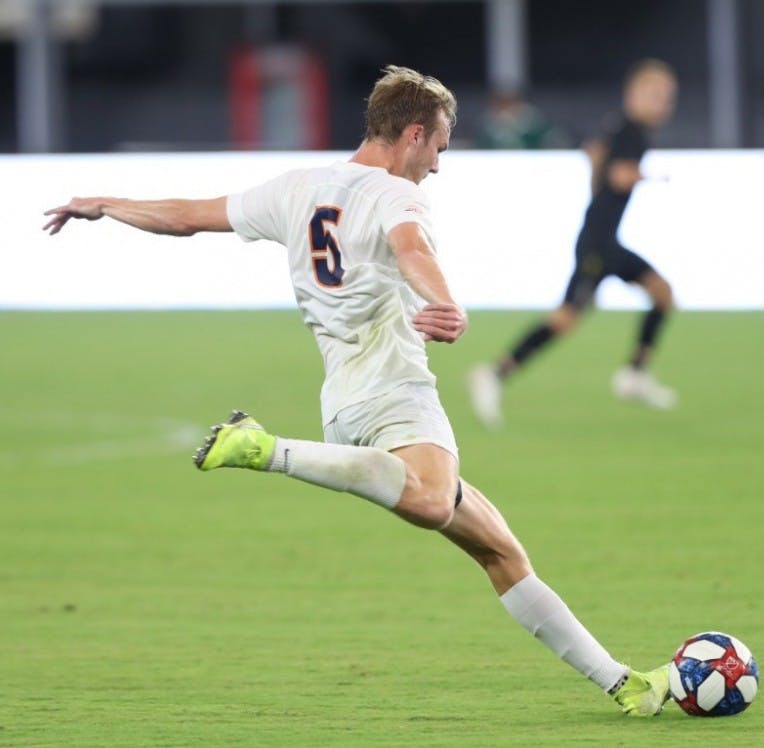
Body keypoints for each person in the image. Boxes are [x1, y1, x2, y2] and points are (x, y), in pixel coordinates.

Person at [42, 65, 669, 716]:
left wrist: (106, 206)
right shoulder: (397, 195)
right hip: (396, 390)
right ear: (414, 136)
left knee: (501, 551)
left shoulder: (297, 187)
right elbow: (412, 249)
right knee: (430, 502)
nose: (437, 167)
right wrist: (448, 302)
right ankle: (265, 448)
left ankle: (624, 685)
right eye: (439, 151)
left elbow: (187, 219)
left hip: (344, 405)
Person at [469, 59, 679, 427]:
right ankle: (493, 374)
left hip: (605, 240)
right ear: (635, 93)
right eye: (657, 95)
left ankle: (634, 374)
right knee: (566, 319)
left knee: (661, 293)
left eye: (668, 97)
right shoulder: (632, 131)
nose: (664, 104)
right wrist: (648, 176)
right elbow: (618, 175)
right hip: (598, 245)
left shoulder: (617, 126)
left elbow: (594, 154)